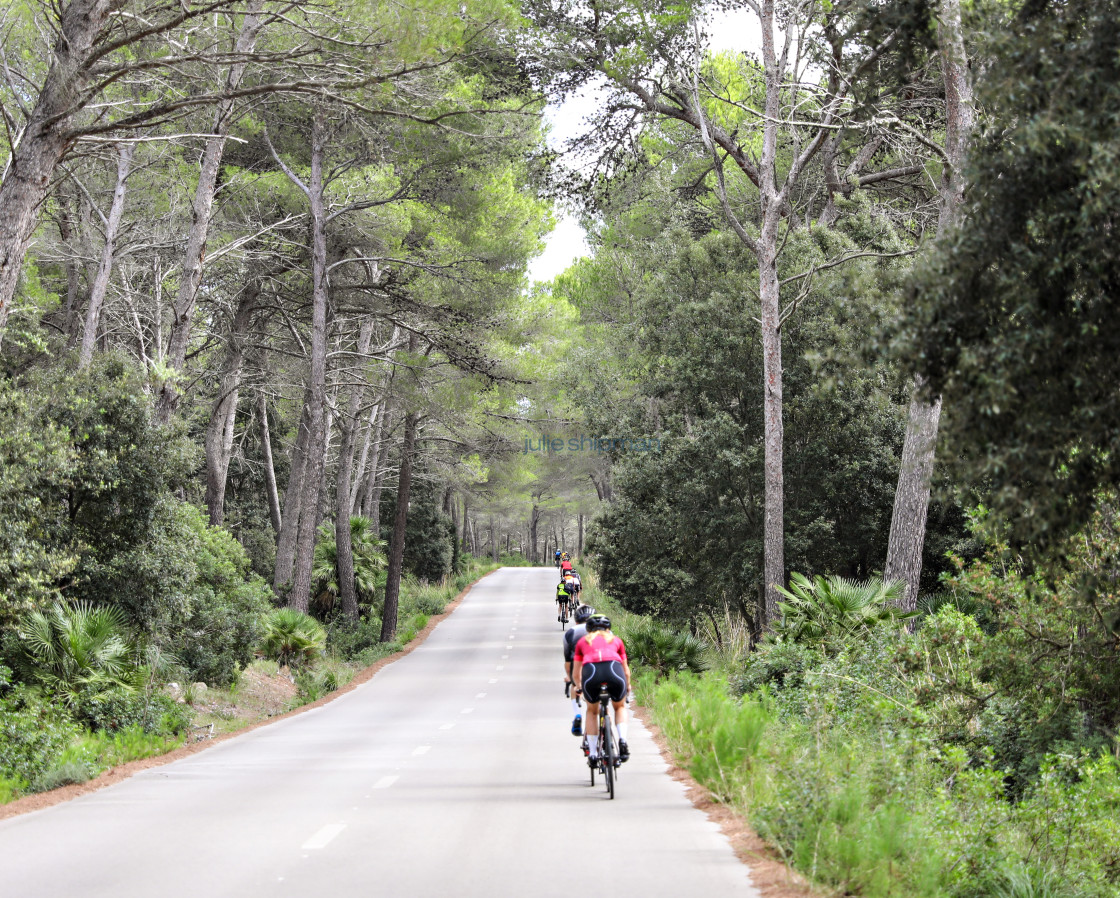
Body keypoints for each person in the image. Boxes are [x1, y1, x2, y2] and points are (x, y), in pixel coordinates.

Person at [572, 615, 632, 763]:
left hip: (591, 674)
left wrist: (579, 686)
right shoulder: (616, 640)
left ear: (588, 629)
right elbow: (626, 670)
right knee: (619, 707)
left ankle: (592, 754)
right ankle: (622, 740)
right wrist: (628, 686)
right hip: (614, 673)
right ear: (608, 628)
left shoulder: (582, 642)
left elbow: (576, 673)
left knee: (592, 711)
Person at [563, 604, 595, 735]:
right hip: (599, 665)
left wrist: (570, 677)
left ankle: (577, 715)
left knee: (574, 685)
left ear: (576, 621)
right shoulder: (603, 632)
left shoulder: (571, 632)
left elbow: (568, 660)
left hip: (579, 665)